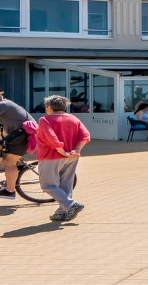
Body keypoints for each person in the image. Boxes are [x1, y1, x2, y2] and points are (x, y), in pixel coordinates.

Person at [35, 94, 91, 222]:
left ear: (49, 107)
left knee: (48, 185)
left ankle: (71, 205)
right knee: (66, 185)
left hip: (51, 156)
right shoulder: (73, 118)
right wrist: (76, 150)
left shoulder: (45, 120)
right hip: (72, 156)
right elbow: (85, 135)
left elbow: (52, 138)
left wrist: (63, 152)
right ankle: (63, 212)